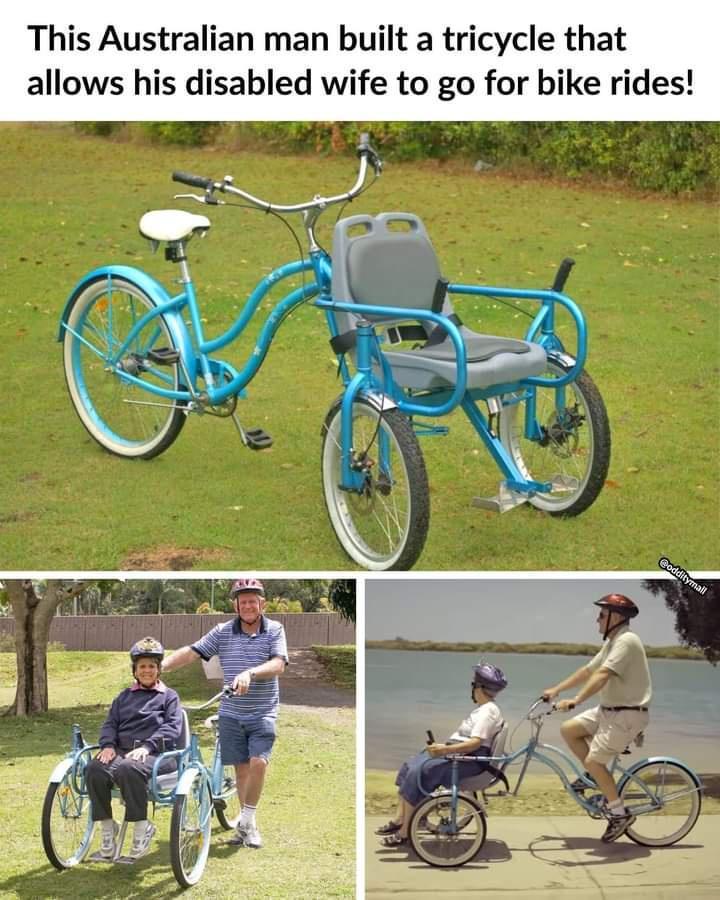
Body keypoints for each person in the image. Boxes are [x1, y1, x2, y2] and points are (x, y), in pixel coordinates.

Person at [161, 578, 288, 850]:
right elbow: (193, 652)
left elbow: (278, 664)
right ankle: (248, 828)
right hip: (231, 712)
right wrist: (161, 667)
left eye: (253, 600)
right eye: (243, 601)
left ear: (262, 603)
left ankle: (247, 819)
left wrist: (250, 673)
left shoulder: (274, 630)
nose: (248, 606)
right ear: (236, 605)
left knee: (258, 763)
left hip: (263, 711)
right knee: (241, 770)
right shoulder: (223, 631)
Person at [542, 593, 652, 843]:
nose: (597, 619)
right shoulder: (613, 641)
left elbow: (602, 675)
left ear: (616, 616)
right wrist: (557, 690)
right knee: (569, 729)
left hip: (627, 714)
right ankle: (595, 776)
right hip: (610, 710)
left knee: (593, 760)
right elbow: (588, 670)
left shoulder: (627, 641)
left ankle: (619, 813)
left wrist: (576, 700)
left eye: (602, 614)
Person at [375, 662, 508, 848]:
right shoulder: (485, 709)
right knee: (409, 765)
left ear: (478, 687)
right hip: (461, 755)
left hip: (468, 761)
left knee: (418, 771)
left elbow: (475, 743)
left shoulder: (488, 712)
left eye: (473, 684)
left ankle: (405, 832)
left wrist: (444, 750)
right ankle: (401, 819)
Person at [85, 637, 183, 863]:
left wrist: (148, 746)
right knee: (94, 769)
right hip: (123, 752)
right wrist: (108, 745)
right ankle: (108, 827)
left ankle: (142, 827)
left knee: (129, 769)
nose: (147, 670)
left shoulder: (169, 697)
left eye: (151, 666)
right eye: (142, 666)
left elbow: (172, 727)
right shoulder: (123, 697)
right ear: (135, 670)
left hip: (158, 754)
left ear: (158, 669)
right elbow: (111, 723)